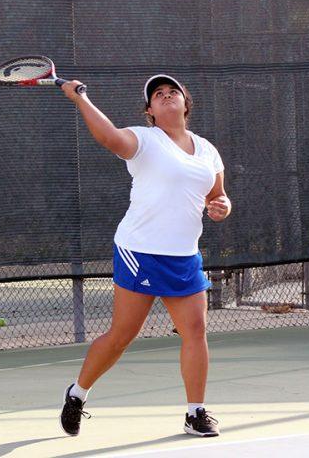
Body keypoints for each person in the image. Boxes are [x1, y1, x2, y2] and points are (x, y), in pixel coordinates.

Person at [57, 74, 231, 438]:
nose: (166, 96)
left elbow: (218, 195)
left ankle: (195, 412)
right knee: (122, 336)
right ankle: (77, 394)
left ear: (185, 103)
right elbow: (108, 137)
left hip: (184, 256)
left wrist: (221, 207)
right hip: (141, 251)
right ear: (150, 111)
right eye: (158, 95)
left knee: (196, 330)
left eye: (173, 92)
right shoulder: (145, 140)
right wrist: (80, 99)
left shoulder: (207, 150)